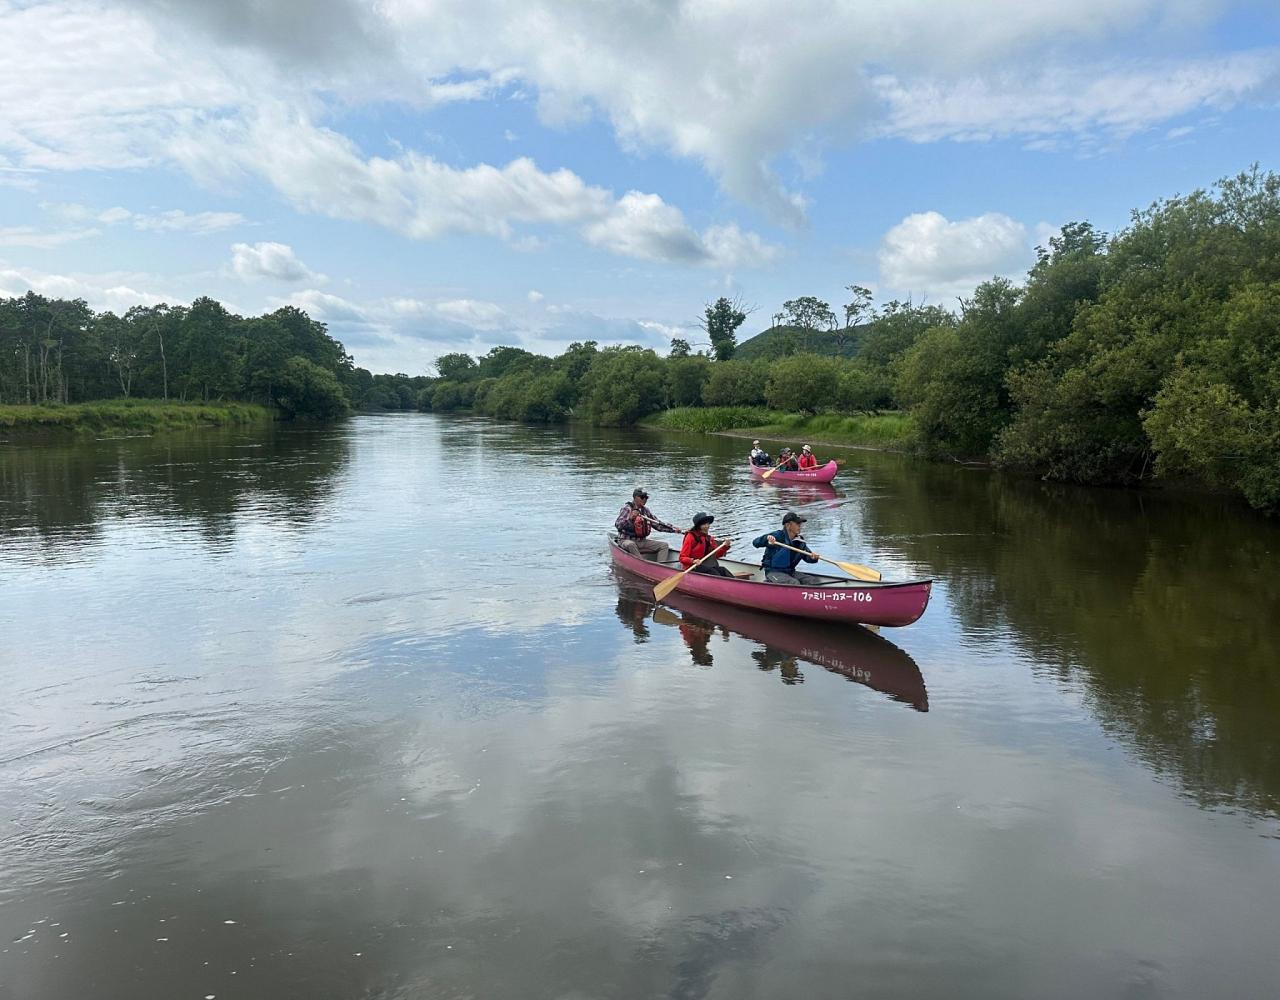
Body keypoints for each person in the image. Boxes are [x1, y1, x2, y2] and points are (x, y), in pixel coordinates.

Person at [753, 511, 822, 585]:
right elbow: (755, 542)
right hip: (773, 572)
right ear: (788, 525)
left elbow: (807, 558)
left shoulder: (800, 542)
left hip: (790, 572)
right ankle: (769, 583)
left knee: (814, 581)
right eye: (797, 524)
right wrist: (767, 539)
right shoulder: (777, 536)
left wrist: (813, 558)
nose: (800, 526)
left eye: (800, 524)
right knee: (794, 583)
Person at [615, 487, 678, 561]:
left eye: (646, 497)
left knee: (664, 546)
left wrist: (674, 529)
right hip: (626, 540)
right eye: (642, 497)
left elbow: (658, 525)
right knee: (631, 544)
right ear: (635, 497)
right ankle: (641, 563)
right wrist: (631, 518)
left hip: (642, 541)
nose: (645, 499)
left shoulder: (645, 511)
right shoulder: (627, 508)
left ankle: (660, 567)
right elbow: (618, 524)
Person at [679, 512, 733, 576]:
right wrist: (693, 561)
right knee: (713, 572)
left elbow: (716, 555)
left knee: (723, 570)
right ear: (698, 526)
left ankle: (735, 584)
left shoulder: (709, 538)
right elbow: (682, 558)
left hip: (704, 565)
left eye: (708, 524)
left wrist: (725, 547)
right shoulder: (690, 537)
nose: (707, 526)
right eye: (704, 524)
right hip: (692, 567)